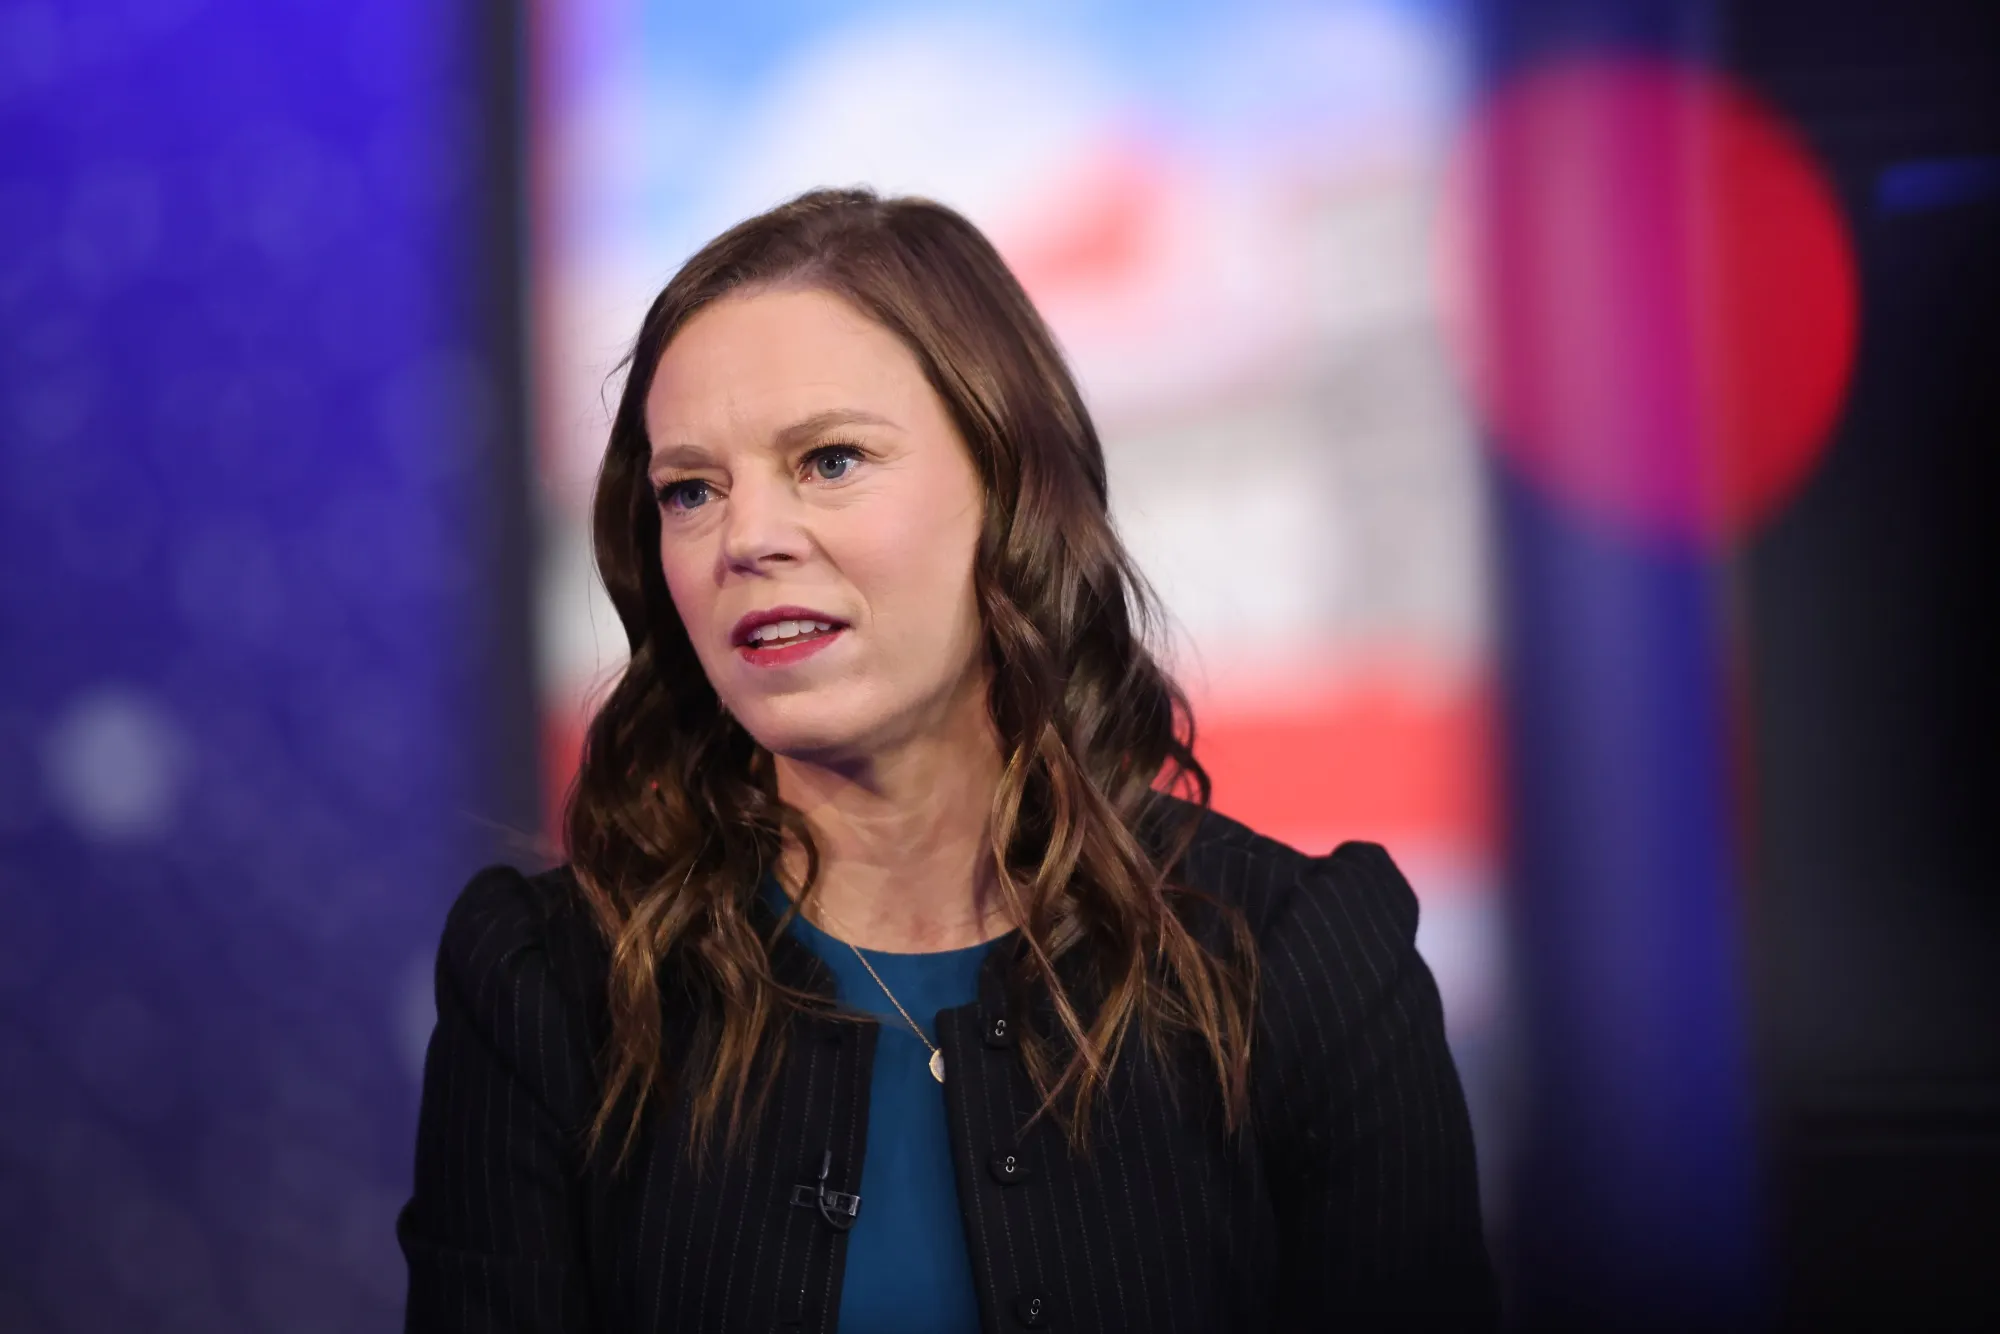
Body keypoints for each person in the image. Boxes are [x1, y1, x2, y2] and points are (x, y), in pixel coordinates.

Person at [397, 187, 1497, 1333]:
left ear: (1010, 490)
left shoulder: (1298, 961)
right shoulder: (548, 984)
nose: (746, 538)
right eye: (690, 490)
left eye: (829, 459)